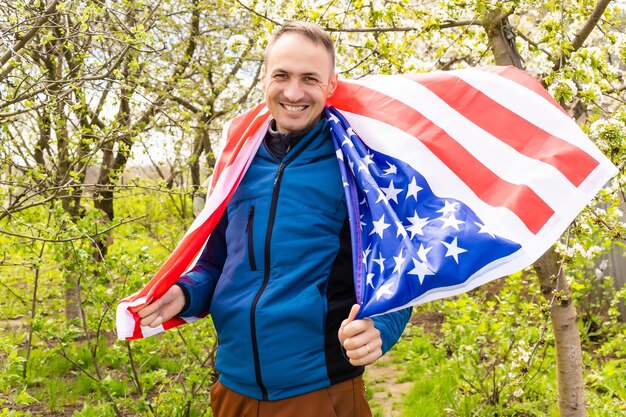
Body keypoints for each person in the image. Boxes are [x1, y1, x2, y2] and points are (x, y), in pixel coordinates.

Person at [135, 20, 411, 417]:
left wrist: (380, 330)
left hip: (319, 392)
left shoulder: (359, 165)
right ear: (264, 77)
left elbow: (401, 271)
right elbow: (217, 263)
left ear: (331, 85)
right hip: (232, 389)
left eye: (309, 79)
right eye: (281, 75)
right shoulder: (237, 161)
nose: (293, 92)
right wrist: (185, 293)